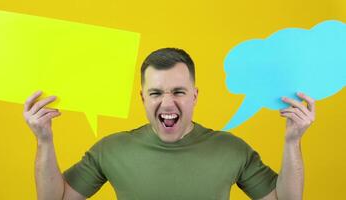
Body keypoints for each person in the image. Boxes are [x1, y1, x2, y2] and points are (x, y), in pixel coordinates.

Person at [23, 48, 315, 200]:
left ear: (195, 96)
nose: (167, 103)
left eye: (178, 91)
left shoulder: (232, 149)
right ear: (142, 97)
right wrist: (44, 141)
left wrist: (293, 141)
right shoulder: (111, 150)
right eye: (156, 93)